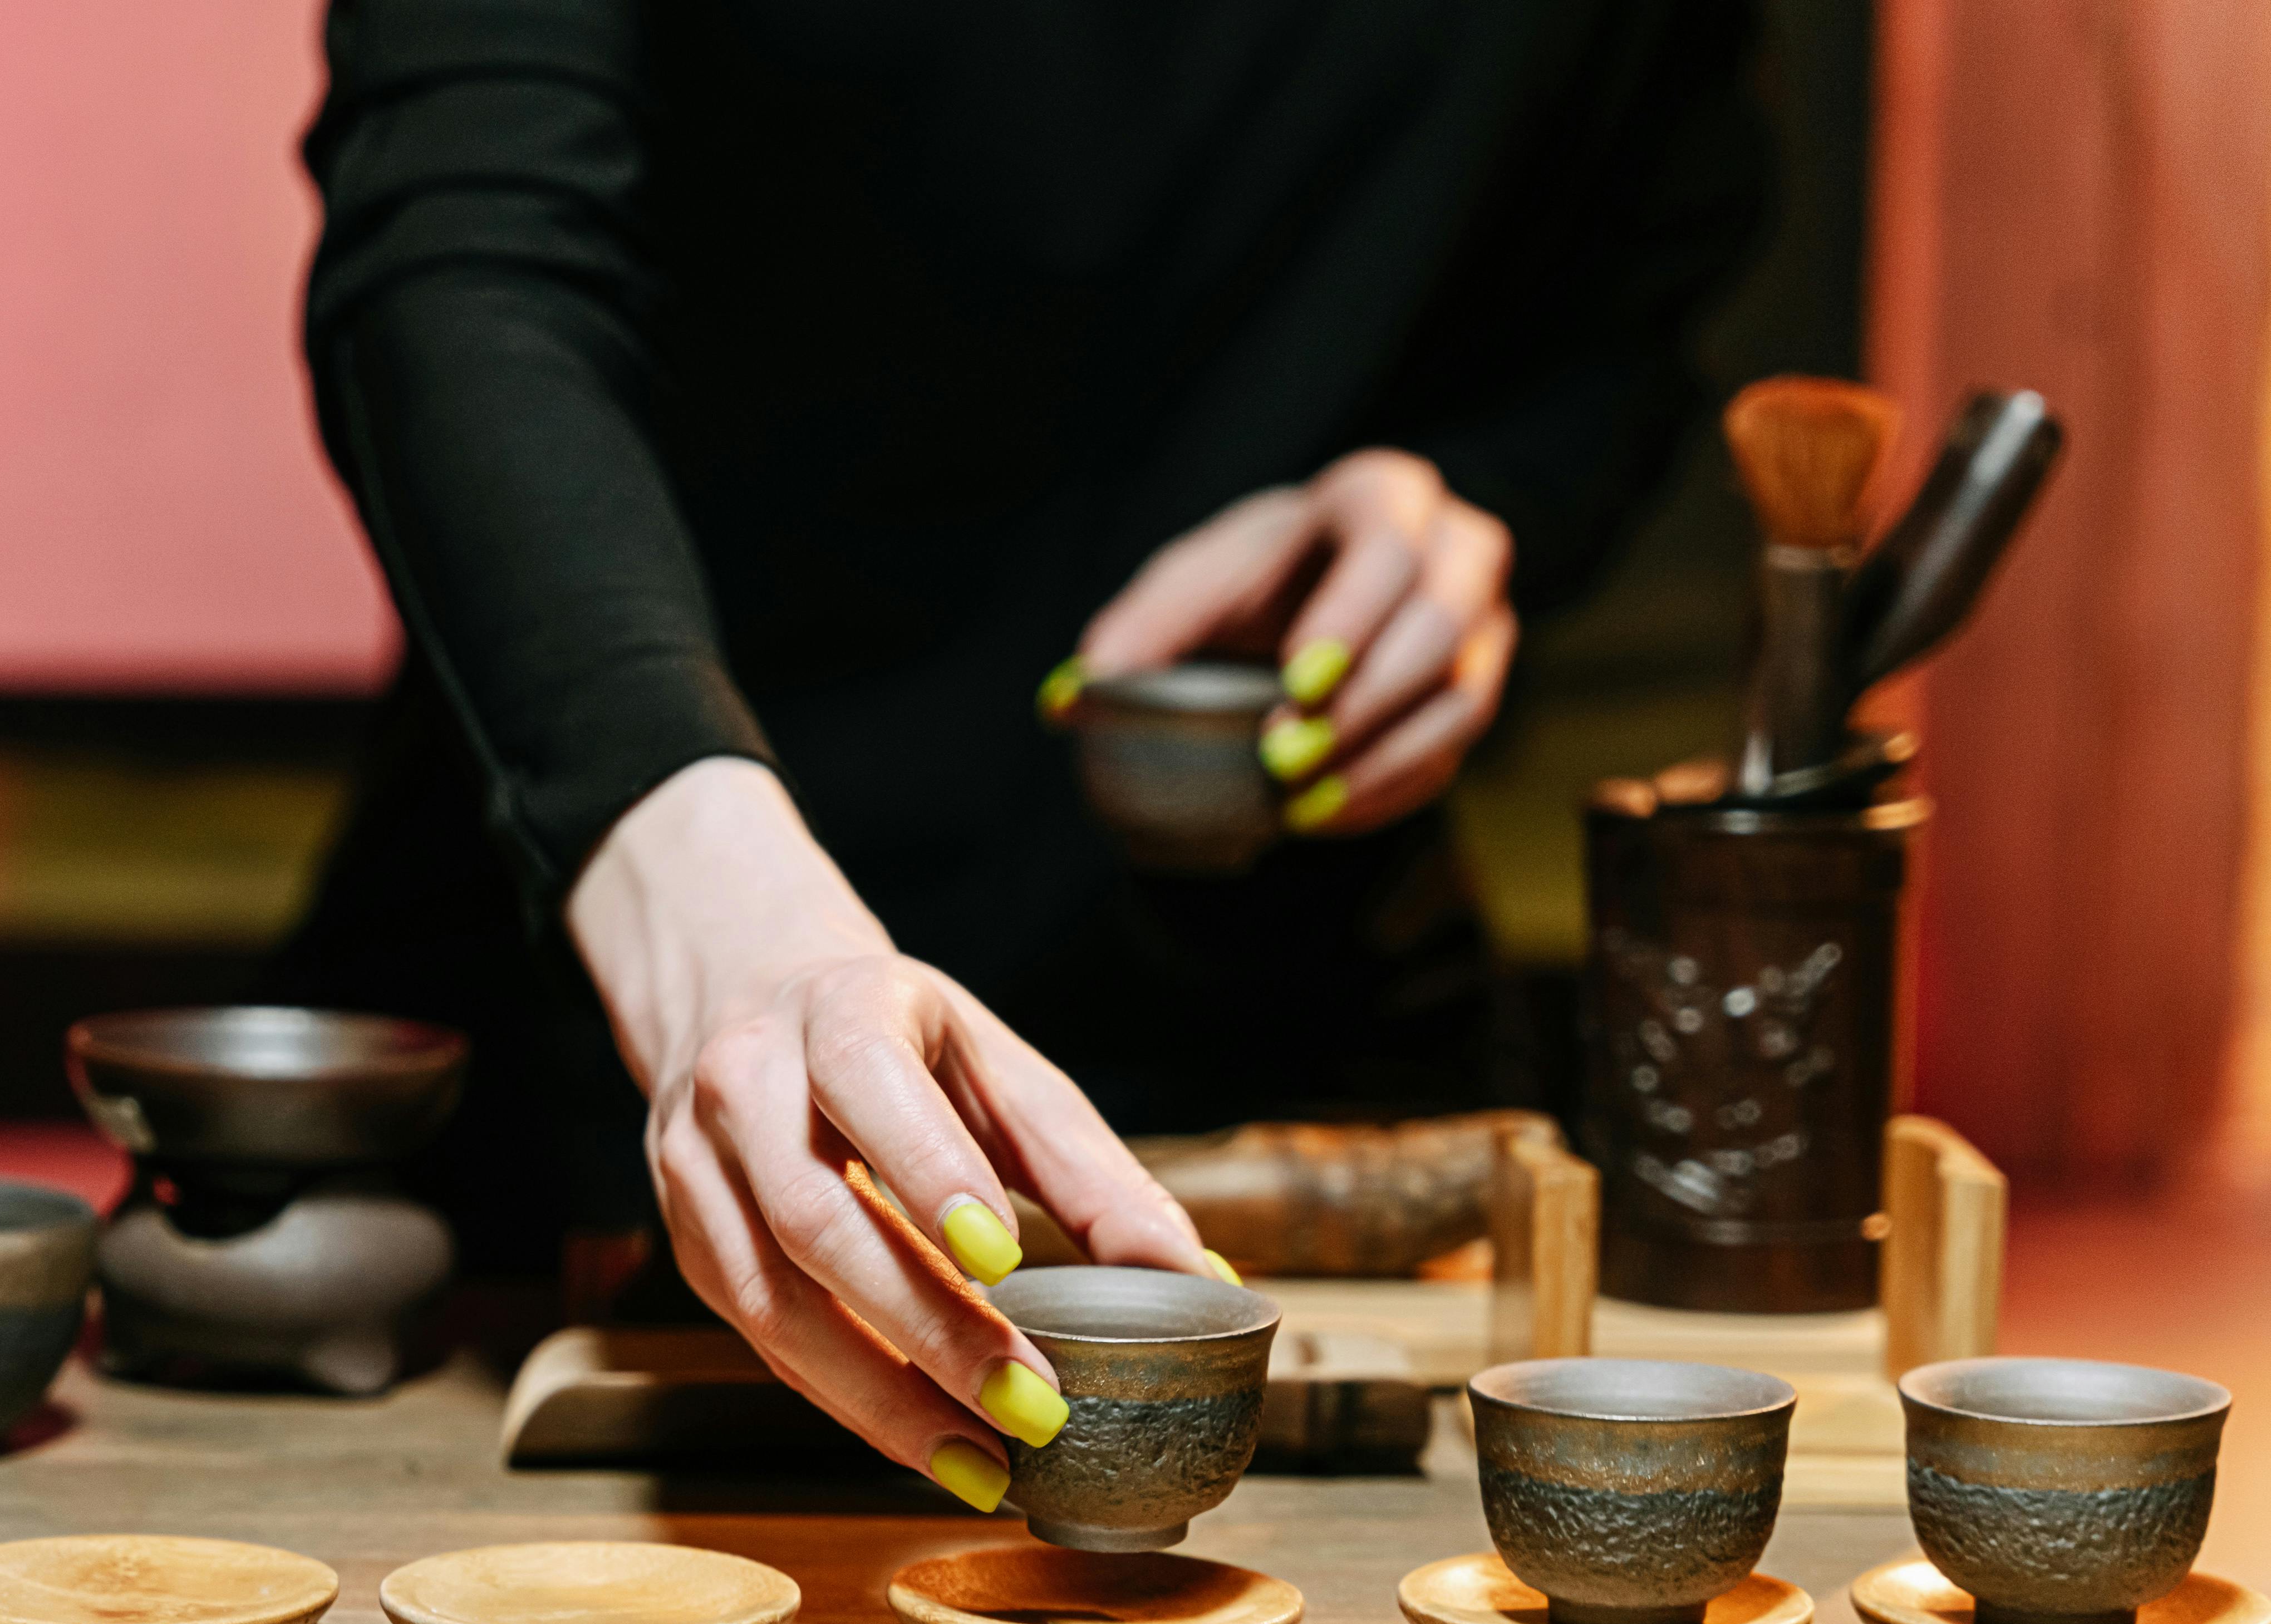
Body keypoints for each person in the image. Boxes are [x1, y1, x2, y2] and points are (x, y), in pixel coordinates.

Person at [277, 1, 1768, 1507]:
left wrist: (1473, 500)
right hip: (581, 1066)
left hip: (1304, 1109)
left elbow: (1642, 279)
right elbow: (460, 256)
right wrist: (699, 888)